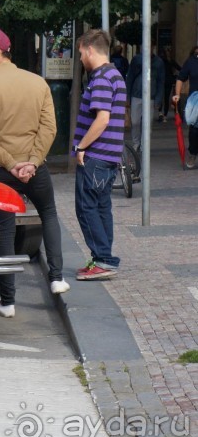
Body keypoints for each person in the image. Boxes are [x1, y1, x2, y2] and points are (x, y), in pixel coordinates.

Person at [0, 29, 68, 319]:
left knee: (5, 230)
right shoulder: (38, 83)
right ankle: (57, 278)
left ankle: (8, 301)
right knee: (48, 213)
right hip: (34, 168)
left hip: (1, 171)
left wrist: (10, 164)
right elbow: (49, 128)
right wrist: (33, 162)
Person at [73, 29, 127, 280]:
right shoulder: (115, 74)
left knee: (87, 208)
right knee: (102, 207)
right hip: (109, 155)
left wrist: (81, 146)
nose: (81, 58)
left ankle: (103, 260)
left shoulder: (101, 78)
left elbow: (102, 119)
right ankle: (103, 258)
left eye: (81, 53)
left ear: (89, 49)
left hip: (96, 155)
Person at [125, 43, 165, 151]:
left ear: (153, 47)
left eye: (150, 46)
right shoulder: (136, 60)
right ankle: (136, 142)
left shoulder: (159, 62)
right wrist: (127, 97)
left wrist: (158, 99)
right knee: (135, 121)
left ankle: (144, 145)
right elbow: (130, 78)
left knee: (147, 124)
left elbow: (161, 82)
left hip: (150, 97)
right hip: (136, 95)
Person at [172, 45, 198, 168]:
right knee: (194, 129)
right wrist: (177, 95)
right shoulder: (191, 62)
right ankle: (193, 153)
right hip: (195, 101)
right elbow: (180, 78)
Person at [161, 46, 181, 120]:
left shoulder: (162, 61)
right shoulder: (169, 61)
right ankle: (164, 114)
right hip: (168, 81)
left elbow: (179, 68)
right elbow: (179, 68)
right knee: (166, 98)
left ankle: (163, 114)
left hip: (164, 81)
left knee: (164, 98)